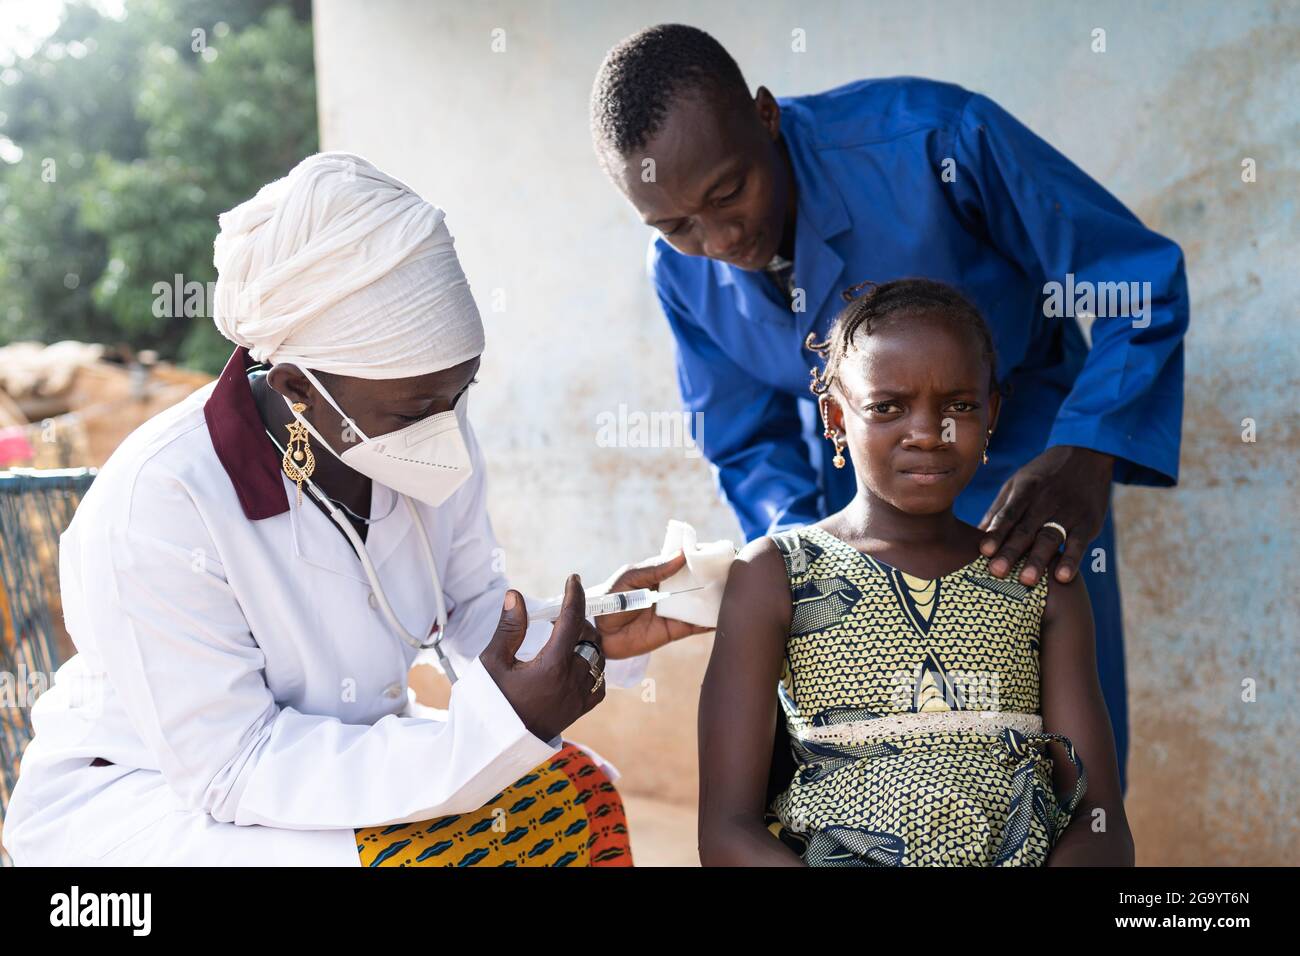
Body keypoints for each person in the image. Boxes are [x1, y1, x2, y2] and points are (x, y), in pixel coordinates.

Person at [2, 153, 703, 867]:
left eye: (458, 393)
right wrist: (492, 733)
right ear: (295, 389)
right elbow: (234, 767)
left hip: (329, 763)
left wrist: (590, 630)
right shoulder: (163, 501)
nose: (445, 425)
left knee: (575, 796)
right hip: (157, 806)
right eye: (414, 406)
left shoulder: (421, 437)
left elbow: (470, 620)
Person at [590, 24, 1190, 791]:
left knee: (1054, 752)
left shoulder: (936, 142)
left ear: (765, 116)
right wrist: (800, 559)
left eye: (729, 192)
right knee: (890, 775)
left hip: (1022, 472)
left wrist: (1087, 450)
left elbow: (1133, 285)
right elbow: (748, 440)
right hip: (852, 510)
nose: (720, 238)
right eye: (674, 227)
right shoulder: (680, 275)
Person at [697, 278, 1134, 866]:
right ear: (834, 416)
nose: (930, 433)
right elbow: (727, 832)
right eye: (887, 407)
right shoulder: (778, 572)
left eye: (959, 405)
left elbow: (1099, 818)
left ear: (992, 413)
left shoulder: (1036, 582)